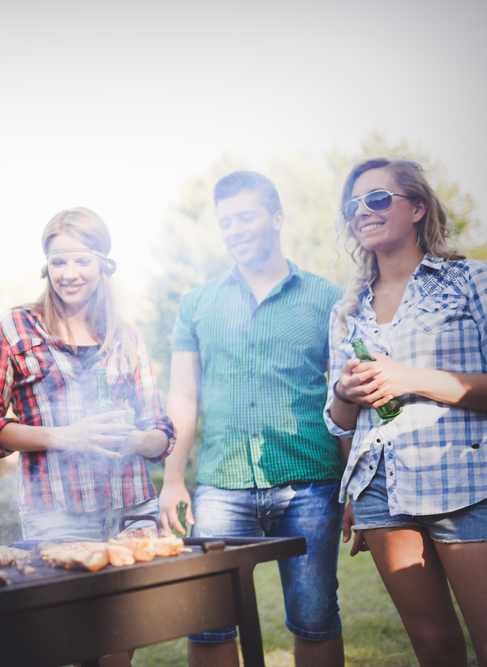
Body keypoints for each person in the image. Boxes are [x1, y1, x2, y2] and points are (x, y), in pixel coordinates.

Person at [161, 171, 346, 667]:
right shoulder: (197, 303)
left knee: (315, 616)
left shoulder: (328, 299)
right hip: (221, 486)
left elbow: (349, 397)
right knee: (207, 620)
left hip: (311, 482)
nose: (235, 229)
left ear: (277, 217)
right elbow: (183, 395)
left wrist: (353, 486)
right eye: (226, 222)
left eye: (246, 216)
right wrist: (174, 480)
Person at [326, 158, 487, 666]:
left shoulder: (471, 281)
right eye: (354, 204)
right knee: (434, 650)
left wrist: (408, 378)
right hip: (379, 493)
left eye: (377, 198)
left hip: (465, 484)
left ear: (417, 208)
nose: (362, 212)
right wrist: (345, 392)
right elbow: (338, 421)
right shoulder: (346, 310)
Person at [0, 207, 175, 543]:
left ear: (103, 264)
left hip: (134, 508)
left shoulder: (126, 336)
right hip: (55, 514)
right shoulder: (16, 326)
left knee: (149, 596)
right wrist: (63, 437)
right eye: (59, 262)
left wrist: (136, 441)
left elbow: (160, 430)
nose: (69, 274)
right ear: (46, 268)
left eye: (81, 261)